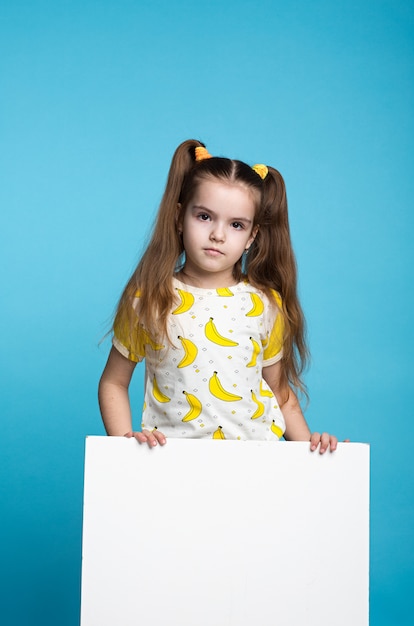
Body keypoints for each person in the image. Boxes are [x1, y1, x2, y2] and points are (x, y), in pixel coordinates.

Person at [99, 139, 339, 453]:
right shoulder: (149, 298)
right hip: (170, 465)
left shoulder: (265, 305)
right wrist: (124, 446)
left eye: (236, 224)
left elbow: (279, 393)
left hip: (254, 467)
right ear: (179, 217)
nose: (218, 234)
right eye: (204, 217)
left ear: (252, 236)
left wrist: (312, 447)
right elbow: (113, 382)